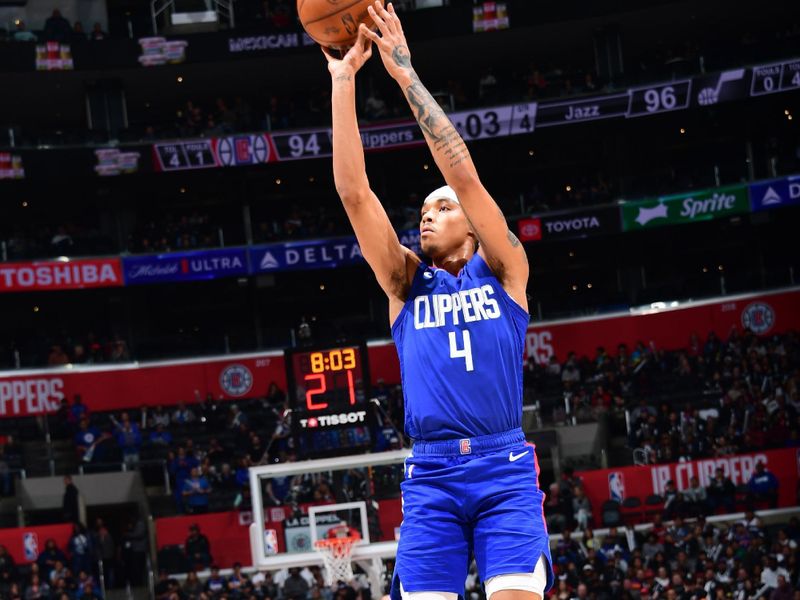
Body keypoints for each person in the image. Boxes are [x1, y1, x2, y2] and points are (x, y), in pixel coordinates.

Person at [324, 5, 553, 600]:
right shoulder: (405, 282)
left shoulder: (505, 271)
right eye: (424, 212)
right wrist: (343, 81)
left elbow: (466, 177)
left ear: (475, 229)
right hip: (430, 476)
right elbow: (353, 194)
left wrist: (405, 76)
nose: (429, 216)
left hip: (504, 471)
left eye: (443, 208)